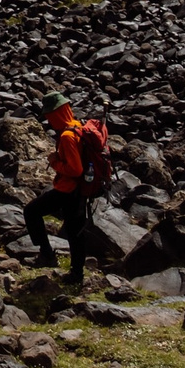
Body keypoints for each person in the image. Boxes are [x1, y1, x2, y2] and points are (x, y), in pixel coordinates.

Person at [25, 91, 110, 283]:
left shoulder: (66, 136)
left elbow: (74, 169)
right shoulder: (78, 126)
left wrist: (54, 162)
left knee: (31, 211)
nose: (47, 119)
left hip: (68, 190)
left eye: (48, 115)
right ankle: (76, 274)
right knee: (75, 231)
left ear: (54, 114)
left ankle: (47, 255)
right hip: (81, 190)